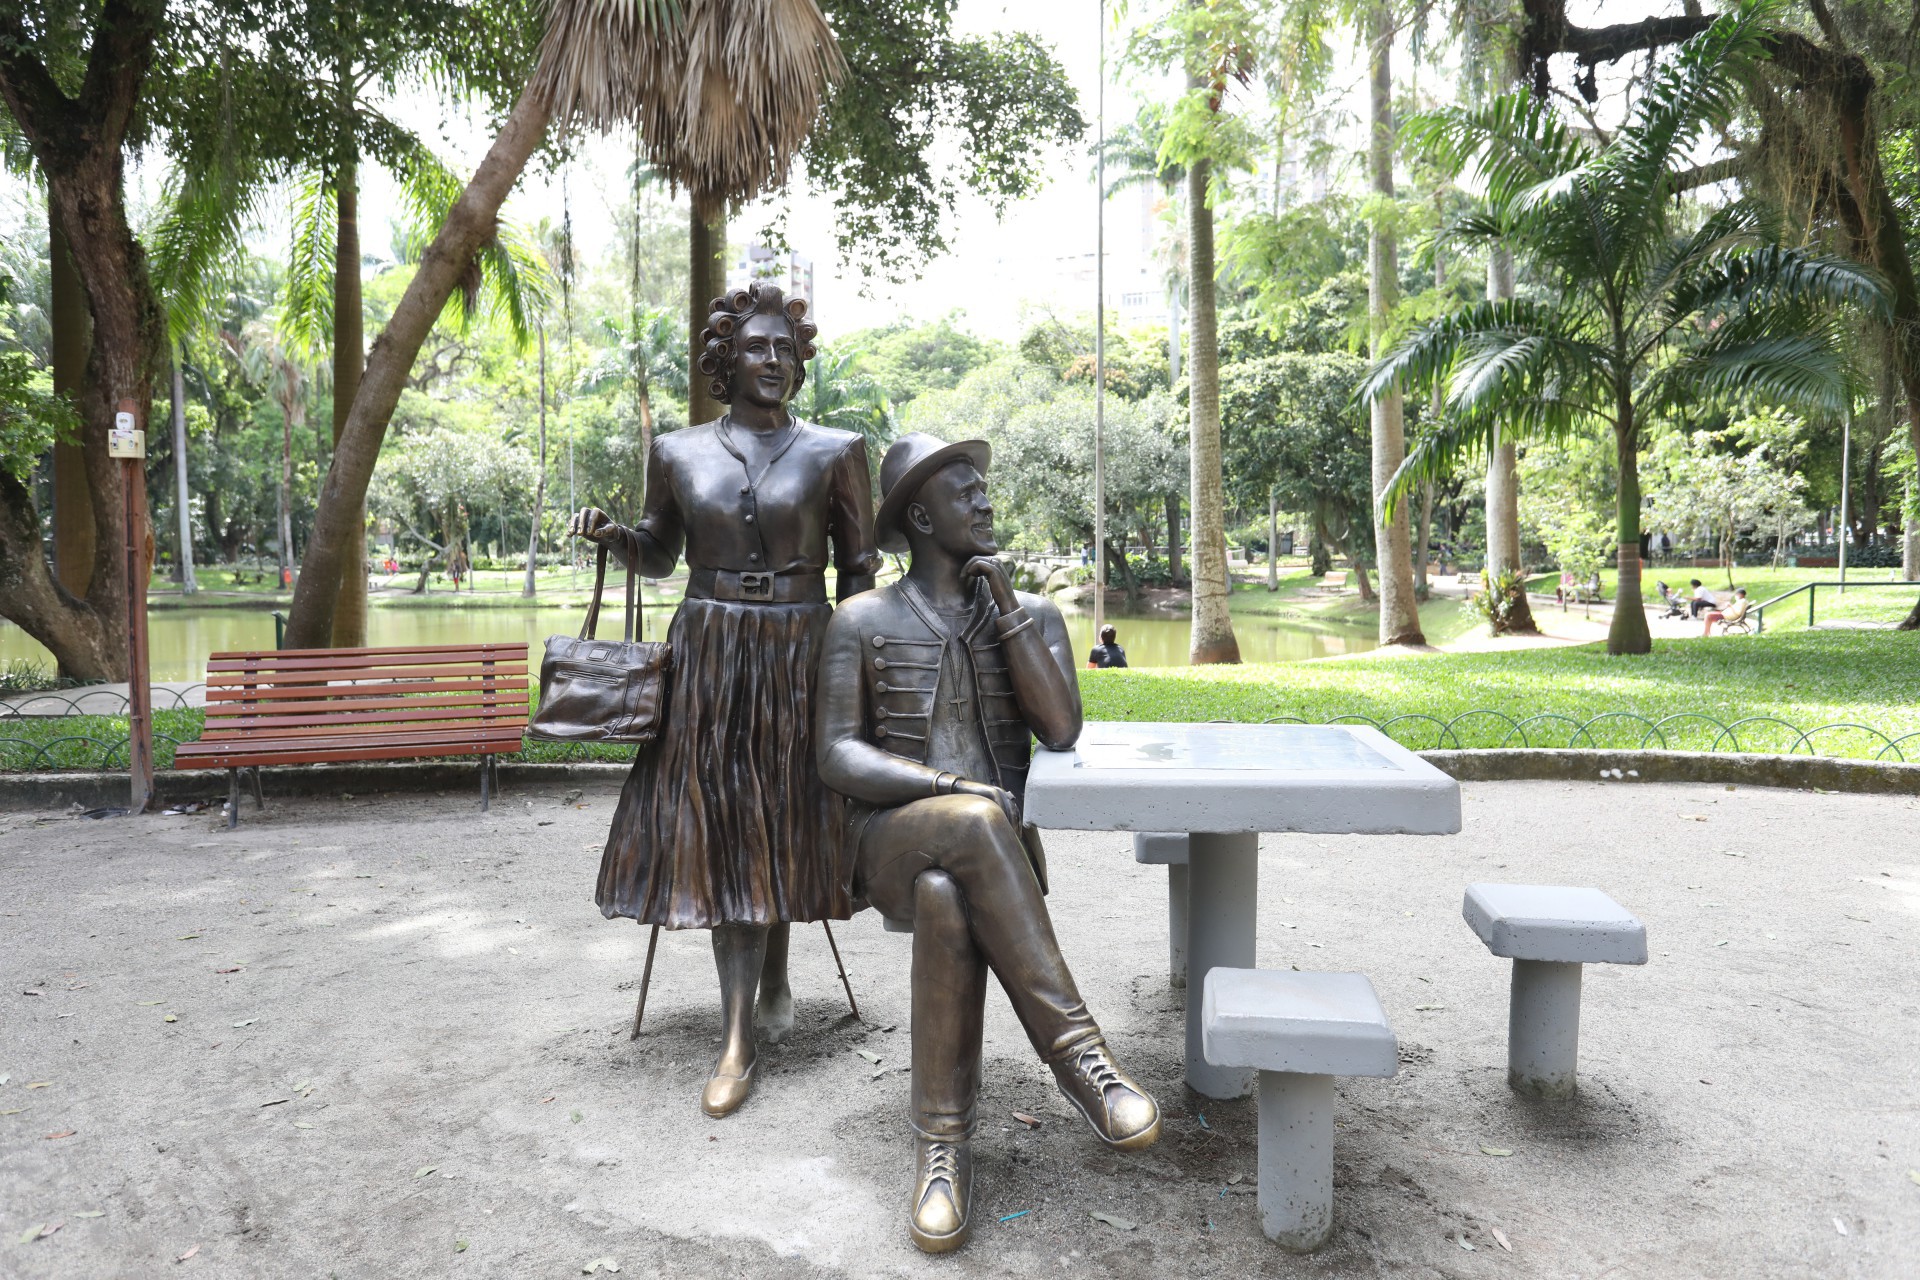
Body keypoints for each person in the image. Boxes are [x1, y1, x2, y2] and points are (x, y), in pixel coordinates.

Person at [817, 433, 1161, 1254]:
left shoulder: (1032, 614)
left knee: (949, 896)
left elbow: (1062, 728)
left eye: (983, 490)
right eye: (965, 492)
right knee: (968, 827)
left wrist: (1007, 608)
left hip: (985, 870)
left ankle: (942, 1152)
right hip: (886, 843)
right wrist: (948, 790)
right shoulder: (862, 620)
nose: (984, 501)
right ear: (923, 515)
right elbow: (836, 753)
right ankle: (1081, 1059)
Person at [568, 283, 880, 1118]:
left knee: (786, 810)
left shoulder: (838, 450)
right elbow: (661, 551)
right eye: (755, 348)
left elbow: (858, 574)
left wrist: (856, 666)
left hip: (803, 646)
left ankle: (775, 976)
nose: (773, 360)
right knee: (727, 821)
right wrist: (616, 539)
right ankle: (737, 1035)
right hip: (711, 651)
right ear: (724, 361)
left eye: (785, 347)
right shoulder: (677, 451)